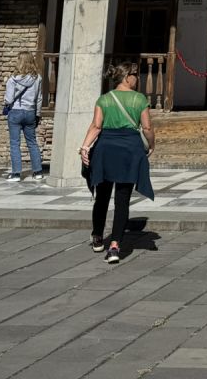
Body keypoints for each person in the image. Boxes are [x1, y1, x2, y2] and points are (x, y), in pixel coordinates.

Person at [78, 62, 155, 264]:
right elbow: (147, 128)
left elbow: (96, 126)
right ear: (126, 77)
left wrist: (84, 147)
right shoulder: (139, 99)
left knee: (102, 196)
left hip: (106, 150)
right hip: (129, 151)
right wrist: (152, 145)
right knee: (122, 200)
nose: (137, 78)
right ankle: (114, 246)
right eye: (135, 75)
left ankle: (97, 236)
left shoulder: (104, 99)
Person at [4, 52, 45, 181]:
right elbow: (39, 98)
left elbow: (9, 99)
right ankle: (38, 171)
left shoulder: (13, 79)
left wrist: (6, 101)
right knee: (32, 142)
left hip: (16, 111)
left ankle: (16, 173)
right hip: (30, 112)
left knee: (15, 143)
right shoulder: (37, 78)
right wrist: (37, 114)